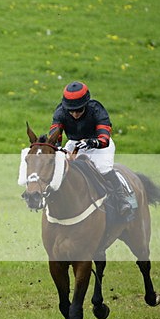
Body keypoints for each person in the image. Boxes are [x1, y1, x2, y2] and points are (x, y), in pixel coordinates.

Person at [49, 81, 133, 218]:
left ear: (86, 105)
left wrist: (92, 142)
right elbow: (54, 134)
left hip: (98, 145)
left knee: (103, 168)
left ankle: (122, 200)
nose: (75, 114)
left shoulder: (96, 110)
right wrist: (58, 147)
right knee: (59, 166)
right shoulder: (60, 112)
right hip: (74, 144)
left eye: (79, 110)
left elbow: (104, 138)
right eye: (71, 110)